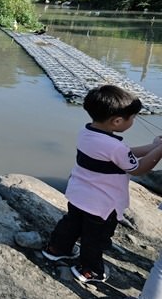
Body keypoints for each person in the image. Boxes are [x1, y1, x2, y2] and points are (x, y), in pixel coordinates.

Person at [42, 84, 162, 284]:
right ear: (117, 121)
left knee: (71, 224)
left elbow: (123, 153)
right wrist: (158, 151)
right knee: (95, 239)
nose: (133, 121)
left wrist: (153, 146)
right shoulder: (115, 148)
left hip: (79, 195)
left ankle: (56, 249)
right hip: (103, 205)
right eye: (132, 118)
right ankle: (90, 270)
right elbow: (138, 168)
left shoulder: (87, 132)